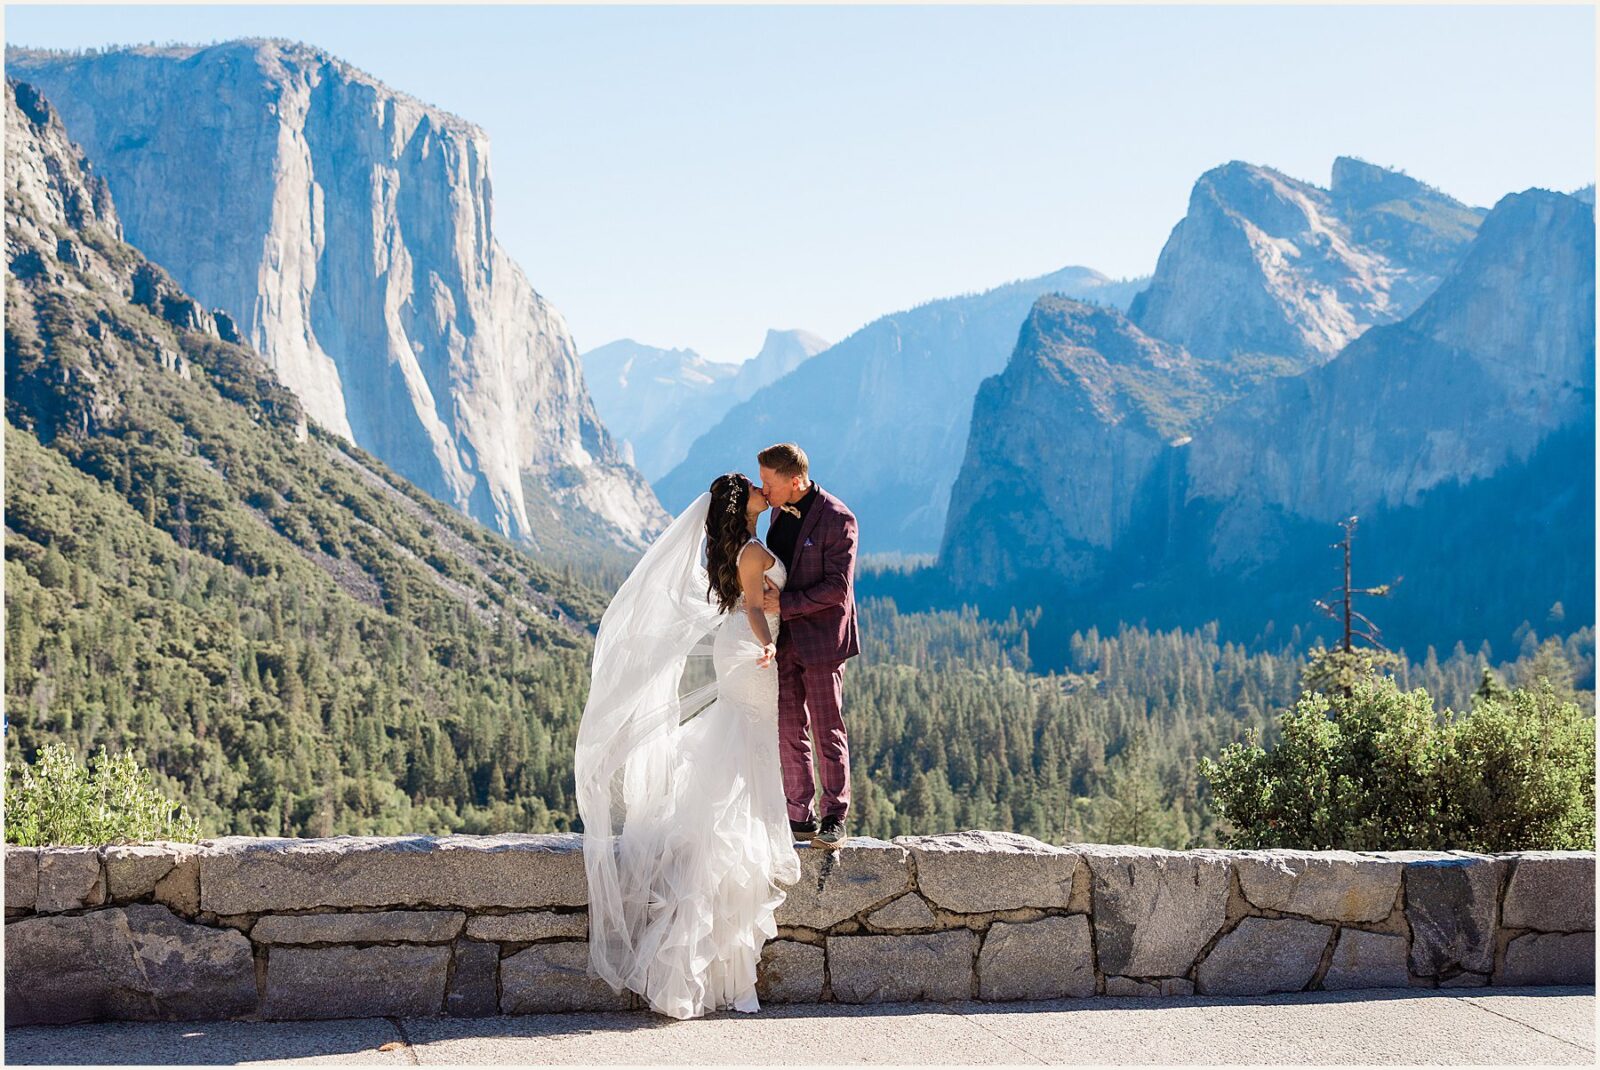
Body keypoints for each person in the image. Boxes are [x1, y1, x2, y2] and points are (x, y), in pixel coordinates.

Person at [574, 473, 801, 1020]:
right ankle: (718, 964)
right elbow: (753, 606)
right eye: (751, 487)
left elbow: (756, 597)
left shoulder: (748, 541)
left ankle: (724, 966)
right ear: (738, 502)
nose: (759, 490)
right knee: (745, 749)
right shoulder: (749, 549)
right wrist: (770, 641)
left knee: (743, 751)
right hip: (751, 653)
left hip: (745, 647)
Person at [756, 443, 860, 850]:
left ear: (795, 481)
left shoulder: (839, 519)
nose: (763, 489)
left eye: (769, 482)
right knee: (787, 727)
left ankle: (835, 816)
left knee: (826, 727)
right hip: (784, 639)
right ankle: (798, 816)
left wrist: (785, 604)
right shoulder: (779, 512)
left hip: (822, 642)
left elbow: (838, 589)